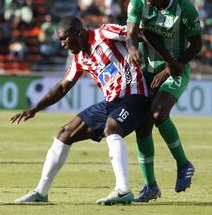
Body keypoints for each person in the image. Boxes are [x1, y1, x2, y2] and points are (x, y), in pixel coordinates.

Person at [10, 16, 149, 205]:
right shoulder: (80, 58)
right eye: (60, 40)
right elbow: (62, 88)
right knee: (64, 133)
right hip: (111, 103)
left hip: (135, 96)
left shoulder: (105, 33)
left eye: (64, 38)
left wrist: (161, 61)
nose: (63, 45)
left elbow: (137, 33)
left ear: (78, 33)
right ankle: (40, 193)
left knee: (112, 127)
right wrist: (35, 109)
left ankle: (123, 189)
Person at [126, 0, 203, 202]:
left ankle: (183, 164)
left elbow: (197, 44)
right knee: (142, 127)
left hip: (176, 70)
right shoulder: (138, 3)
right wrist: (132, 50)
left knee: (159, 113)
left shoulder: (185, 9)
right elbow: (133, 34)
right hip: (147, 71)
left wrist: (173, 67)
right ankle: (150, 186)